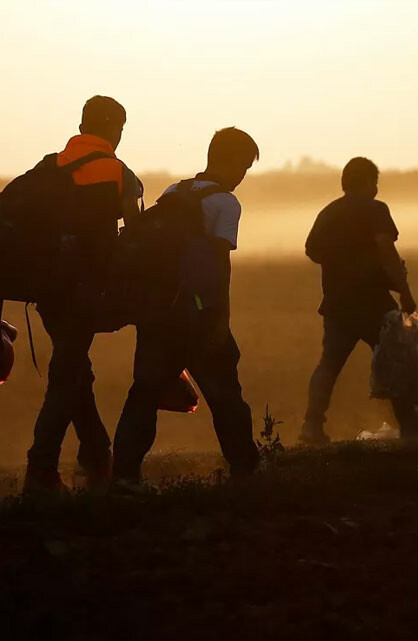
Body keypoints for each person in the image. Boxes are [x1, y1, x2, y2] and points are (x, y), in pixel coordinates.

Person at [112, 127, 261, 486]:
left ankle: (124, 475)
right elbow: (218, 265)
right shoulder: (225, 202)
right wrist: (219, 321)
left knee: (143, 393)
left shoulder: (173, 192)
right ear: (230, 161)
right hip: (197, 313)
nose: (242, 177)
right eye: (243, 167)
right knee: (226, 395)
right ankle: (247, 471)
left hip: (157, 311)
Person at [23, 96, 143, 494]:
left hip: (44, 288)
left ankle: (95, 457)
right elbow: (137, 238)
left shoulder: (49, 166)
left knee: (75, 371)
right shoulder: (118, 173)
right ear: (113, 128)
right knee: (66, 376)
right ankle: (39, 471)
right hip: (84, 290)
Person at [299, 157, 418, 444]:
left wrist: (340, 260)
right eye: (374, 182)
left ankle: (312, 426)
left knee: (329, 364)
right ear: (366, 183)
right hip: (374, 302)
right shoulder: (376, 210)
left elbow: (312, 251)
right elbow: (387, 251)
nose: (376, 189)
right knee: (398, 359)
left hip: (337, 303)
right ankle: (409, 423)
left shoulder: (329, 212)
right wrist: (405, 291)